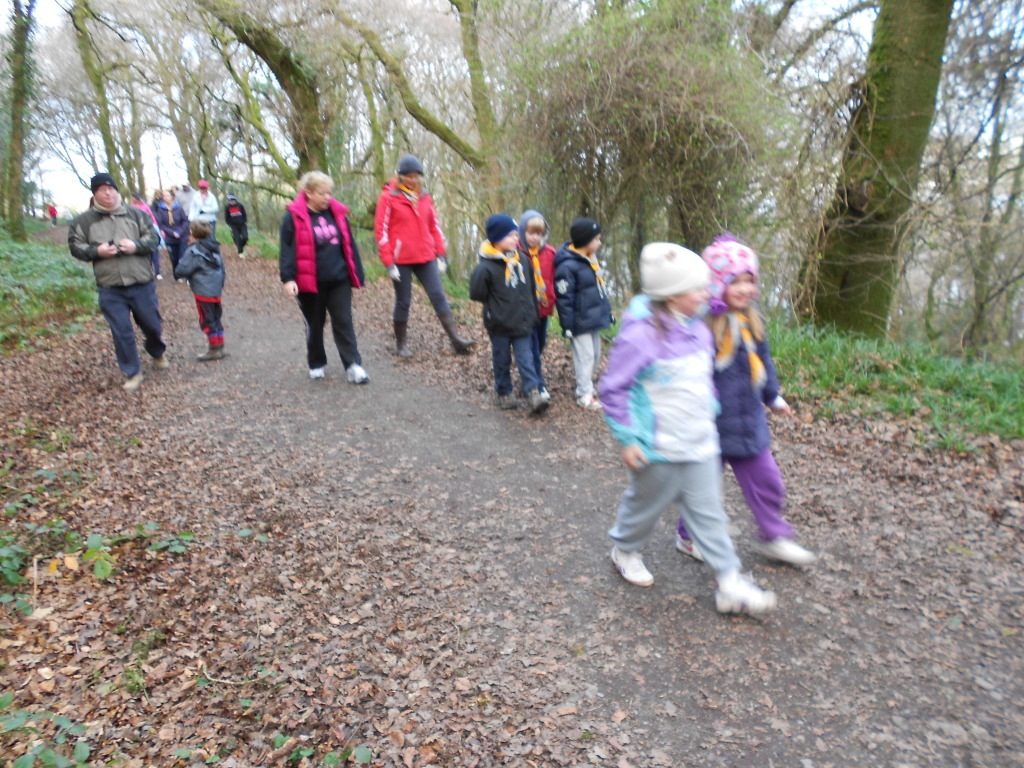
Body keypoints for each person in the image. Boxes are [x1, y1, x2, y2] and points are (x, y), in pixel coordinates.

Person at [598, 242, 777, 616]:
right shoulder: (641, 336)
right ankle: (624, 549)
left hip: (700, 443)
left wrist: (712, 408)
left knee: (711, 515)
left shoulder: (700, 330)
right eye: (699, 288)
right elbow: (614, 389)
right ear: (673, 294)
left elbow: (704, 377)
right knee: (645, 506)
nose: (708, 293)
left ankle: (729, 583)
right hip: (657, 448)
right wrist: (628, 438)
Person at [674, 234, 816, 567]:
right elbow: (687, 373)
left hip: (748, 422)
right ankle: (688, 535)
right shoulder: (702, 327)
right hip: (709, 426)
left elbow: (763, 361)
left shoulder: (752, 319)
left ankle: (773, 535)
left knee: (768, 481)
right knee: (701, 488)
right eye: (735, 281)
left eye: (749, 281)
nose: (744, 289)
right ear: (717, 282)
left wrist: (772, 396)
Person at [68, 172, 168, 392]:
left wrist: (135, 246)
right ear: (95, 194)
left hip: (141, 281)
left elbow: (154, 238)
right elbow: (75, 247)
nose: (108, 193)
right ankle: (132, 372)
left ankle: (157, 351)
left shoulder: (136, 214)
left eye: (111, 189)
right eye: (102, 190)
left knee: (152, 324)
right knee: (121, 331)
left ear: (117, 191)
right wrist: (97, 251)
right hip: (110, 286)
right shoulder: (83, 221)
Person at [374, 153, 475, 358]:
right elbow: (381, 232)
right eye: (408, 176)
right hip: (401, 260)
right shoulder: (389, 197)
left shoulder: (425, 197)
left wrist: (441, 254)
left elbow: (434, 227)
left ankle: (456, 339)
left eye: (416, 176)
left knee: (438, 295)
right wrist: (389, 262)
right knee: (404, 301)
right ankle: (401, 344)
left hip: (426, 257)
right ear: (400, 176)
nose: (413, 180)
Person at [280, 171, 369, 384]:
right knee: (315, 323)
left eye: (329, 193)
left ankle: (353, 365)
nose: (327, 197)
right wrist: (288, 278)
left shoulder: (337, 213)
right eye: (322, 193)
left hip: (339, 279)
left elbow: (349, 244)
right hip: (310, 282)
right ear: (308, 193)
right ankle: (316, 362)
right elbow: (287, 249)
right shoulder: (294, 216)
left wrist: (357, 272)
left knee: (344, 321)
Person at [470, 214, 547, 414]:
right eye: (511, 236)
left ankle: (532, 392)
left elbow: (530, 289)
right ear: (497, 238)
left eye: (515, 235)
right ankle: (504, 392)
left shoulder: (522, 260)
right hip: (499, 324)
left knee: (526, 358)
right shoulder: (486, 266)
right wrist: (495, 308)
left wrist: (532, 313)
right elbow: (477, 293)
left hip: (522, 322)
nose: (516, 239)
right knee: (502, 359)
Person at [554, 217, 613, 410]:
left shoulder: (591, 261)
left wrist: (607, 313)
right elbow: (564, 298)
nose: (599, 243)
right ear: (585, 240)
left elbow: (600, 291)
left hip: (593, 318)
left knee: (595, 355)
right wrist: (567, 325)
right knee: (585, 356)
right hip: (579, 321)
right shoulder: (567, 266)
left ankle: (587, 385)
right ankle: (584, 393)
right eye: (596, 239)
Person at [518, 210, 557, 403]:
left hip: (544, 308)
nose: (535, 237)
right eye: (531, 233)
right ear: (522, 232)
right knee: (532, 347)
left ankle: (529, 376)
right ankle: (537, 384)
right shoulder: (516, 253)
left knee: (540, 344)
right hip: (525, 310)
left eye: (539, 234)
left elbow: (555, 278)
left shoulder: (550, 253)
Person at [174, 221, 227, 361]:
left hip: (203, 292)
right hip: (215, 291)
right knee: (216, 318)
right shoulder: (214, 248)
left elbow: (181, 270)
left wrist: (183, 274)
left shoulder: (193, 251)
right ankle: (220, 346)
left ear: (192, 234)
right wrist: (219, 286)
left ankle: (214, 349)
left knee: (207, 320)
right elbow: (223, 269)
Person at [130, 192, 163, 280]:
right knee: (145, 252)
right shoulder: (131, 207)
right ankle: (148, 271)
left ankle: (157, 272)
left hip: (149, 228)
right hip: (138, 232)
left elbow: (152, 216)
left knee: (154, 251)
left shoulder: (145, 206)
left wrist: (156, 226)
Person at [155, 190, 189, 276]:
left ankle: (184, 274)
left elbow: (185, 221)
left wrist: (180, 232)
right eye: (164, 196)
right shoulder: (160, 209)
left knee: (182, 256)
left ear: (172, 197)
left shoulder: (179, 208)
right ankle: (176, 274)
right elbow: (161, 224)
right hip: (170, 237)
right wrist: (172, 233)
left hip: (182, 236)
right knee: (174, 258)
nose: (165, 197)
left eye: (167, 195)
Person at [224, 193, 249, 257]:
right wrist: (230, 225)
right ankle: (240, 252)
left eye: (232, 200)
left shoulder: (240, 205)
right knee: (237, 239)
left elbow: (244, 214)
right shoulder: (227, 207)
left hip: (242, 224)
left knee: (245, 237)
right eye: (229, 200)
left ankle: (241, 247)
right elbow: (227, 218)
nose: (231, 202)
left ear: (235, 200)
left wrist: (245, 222)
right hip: (234, 226)